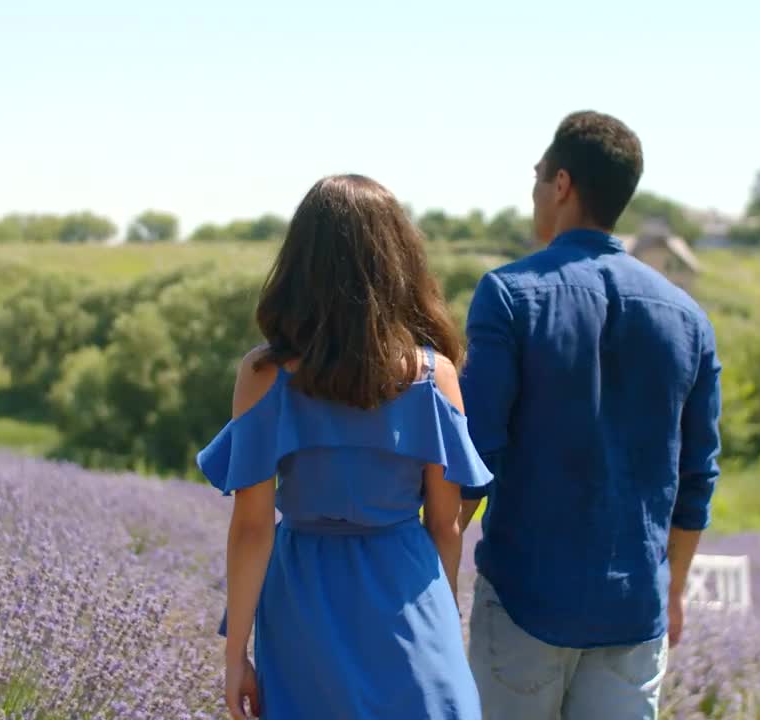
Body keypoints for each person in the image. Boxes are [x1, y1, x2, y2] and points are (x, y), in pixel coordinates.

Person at [457, 110, 723, 719]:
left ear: (561, 185)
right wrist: (673, 590)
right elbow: (697, 478)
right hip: (634, 614)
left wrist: (434, 575)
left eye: (537, 177)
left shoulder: (507, 294)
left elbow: (472, 458)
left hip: (526, 602)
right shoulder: (689, 319)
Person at [197, 174, 492, 720]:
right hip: (406, 584)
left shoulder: (264, 374)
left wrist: (235, 654)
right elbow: (445, 525)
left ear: (300, 262)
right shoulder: (436, 375)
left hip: (304, 596)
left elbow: (252, 526)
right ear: (399, 262)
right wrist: (442, 619)